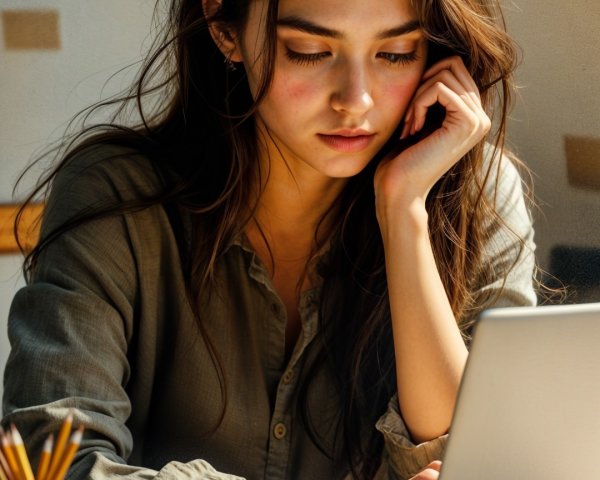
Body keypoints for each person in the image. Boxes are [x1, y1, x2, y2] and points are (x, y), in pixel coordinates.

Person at [2, 0, 537, 478]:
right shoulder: (115, 198)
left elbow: (483, 463)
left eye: (395, 52)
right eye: (308, 50)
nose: (357, 100)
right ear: (223, 25)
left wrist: (404, 214)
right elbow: (53, 462)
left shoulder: (477, 199)